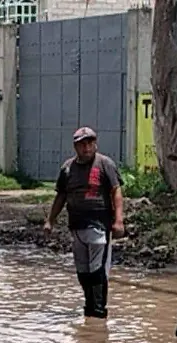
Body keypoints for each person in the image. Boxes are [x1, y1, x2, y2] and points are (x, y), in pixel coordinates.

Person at [44, 127, 125, 319]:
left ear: (95, 144)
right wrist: (50, 220)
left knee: (97, 270)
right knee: (83, 271)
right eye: (82, 144)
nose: (87, 148)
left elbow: (116, 192)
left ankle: (99, 311)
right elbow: (61, 196)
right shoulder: (68, 168)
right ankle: (89, 309)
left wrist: (119, 220)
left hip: (99, 225)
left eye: (90, 143)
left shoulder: (105, 164)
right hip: (77, 227)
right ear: (75, 147)